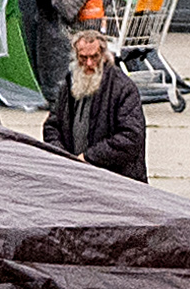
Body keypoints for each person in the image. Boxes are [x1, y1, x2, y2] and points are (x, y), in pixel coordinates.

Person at [41, 24, 149, 179]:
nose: (89, 64)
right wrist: (62, 155)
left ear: (104, 56)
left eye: (94, 57)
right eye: (83, 58)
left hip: (114, 178)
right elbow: (52, 126)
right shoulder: (69, 84)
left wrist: (89, 157)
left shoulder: (122, 88)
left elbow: (130, 137)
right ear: (75, 57)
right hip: (73, 173)